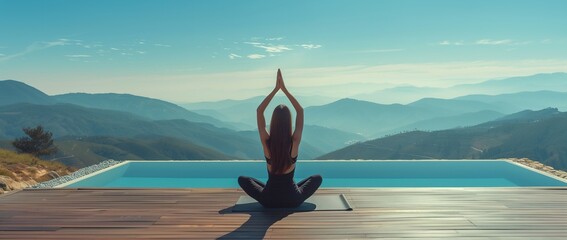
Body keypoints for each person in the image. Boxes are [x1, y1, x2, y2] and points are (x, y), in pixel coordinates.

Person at [238, 69, 322, 208]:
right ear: (289, 122)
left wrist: (275, 89)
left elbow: (259, 111)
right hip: (293, 199)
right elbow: (300, 111)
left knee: (243, 179)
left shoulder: (267, 143)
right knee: (317, 177)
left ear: (273, 122)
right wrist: (285, 89)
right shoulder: (294, 142)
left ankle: (271, 189)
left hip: (268, 199)